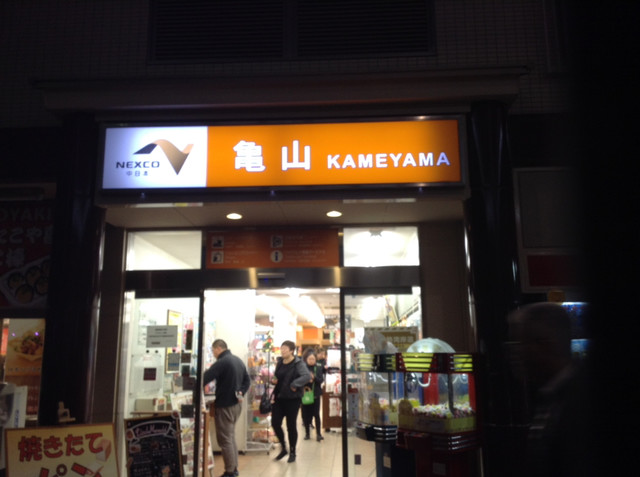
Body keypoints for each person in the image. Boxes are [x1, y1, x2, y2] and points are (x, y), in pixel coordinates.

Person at [508, 302, 592, 477]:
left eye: (523, 342)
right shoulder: (551, 394)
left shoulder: (581, 402)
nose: (517, 353)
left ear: (546, 343)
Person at [202, 339, 250, 477]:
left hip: (225, 405)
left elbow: (205, 377)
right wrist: (241, 392)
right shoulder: (237, 360)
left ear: (218, 348)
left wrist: (192, 387)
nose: (213, 354)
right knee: (230, 437)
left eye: (213, 351)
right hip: (236, 405)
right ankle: (234, 468)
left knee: (225, 439)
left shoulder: (222, 362)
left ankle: (230, 471)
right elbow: (247, 380)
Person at [270, 340, 311, 463]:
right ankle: (284, 447)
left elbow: (307, 376)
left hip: (293, 399)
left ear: (292, 351)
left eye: (285, 349)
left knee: (291, 425)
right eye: (281, 348)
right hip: (279, 398)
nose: (282, 351)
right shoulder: (280, 362)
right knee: (275, 422)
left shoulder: (298, 363)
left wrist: (295, 384)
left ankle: (292, 452)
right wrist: (274, 380)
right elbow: (276, 376)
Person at [301, 348, 324, 441]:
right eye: (309, 359)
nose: (311, 361)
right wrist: (307, 380)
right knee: (306, 415)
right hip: (305, 394)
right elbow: (299, 380)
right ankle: (307, 434)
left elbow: (321, 380)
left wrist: (314, 378)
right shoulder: (302, 368)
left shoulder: (318, 368)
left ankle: (319, 434)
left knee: (316, 414)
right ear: (306, 359)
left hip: (316, 394)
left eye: (313, 359)